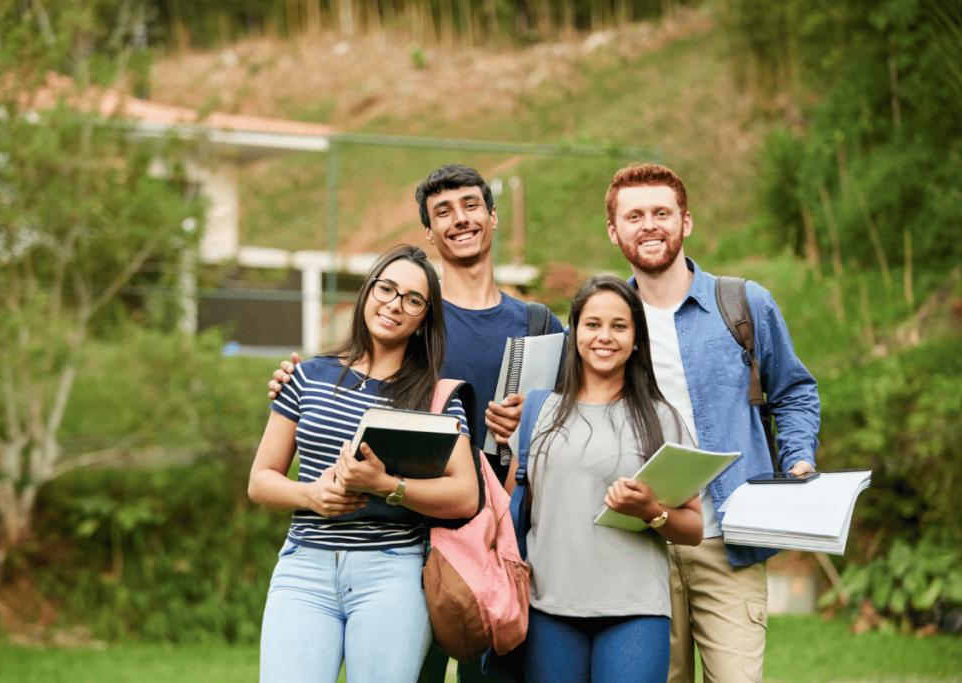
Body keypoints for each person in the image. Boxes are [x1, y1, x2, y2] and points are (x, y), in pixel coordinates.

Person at [268, 164, 565, 683]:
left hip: (494, 541)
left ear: (493, 216)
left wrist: (533, 423)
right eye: (443, 212)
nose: (460, 219)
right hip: (406, 543)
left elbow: (577, 424)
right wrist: (294, 382)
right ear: (429, 231)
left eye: (471, 205)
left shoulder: (539, 326)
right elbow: (352, 384)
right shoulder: (409, 320)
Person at [603, 162, 821, 683]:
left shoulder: (743, 303)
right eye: (634, 216)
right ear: (614, 231)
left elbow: (793, 391)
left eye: (662, 212)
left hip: (729, 543)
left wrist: (798, 458)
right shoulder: (604, 322)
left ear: (686, 221)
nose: (649, 225)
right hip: (638, 547)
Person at [248, 244, 479, 683]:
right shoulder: (306, 376)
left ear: (424, 319)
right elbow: (260, 481)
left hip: (392, 573)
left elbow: (466, 495)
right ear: (368, 291)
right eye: (386, 288)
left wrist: (387, 485)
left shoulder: (436, 398)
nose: (394, 304)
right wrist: (311, 495)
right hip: (304, 567)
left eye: (412, 299)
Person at [505, 275, 703, 683]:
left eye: (619, 326)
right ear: (574, 331)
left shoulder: (661, 419)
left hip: (635, 612)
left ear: (636, 338)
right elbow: (512, 511)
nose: (605, 337)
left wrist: (651, 511)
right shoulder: (538, 413)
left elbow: (694, 529)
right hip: (547, 609)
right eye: (592, 324)